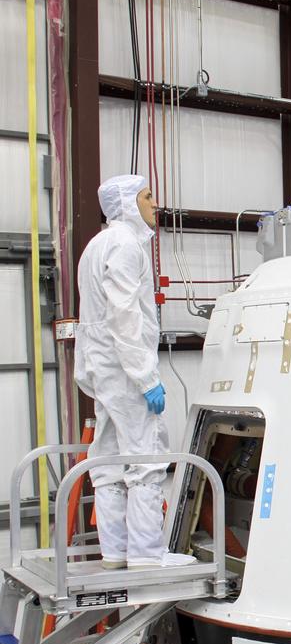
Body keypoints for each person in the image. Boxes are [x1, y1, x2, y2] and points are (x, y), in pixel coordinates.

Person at [74, 174, 194, 569]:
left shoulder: (96, 245)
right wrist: (146, 377)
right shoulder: (126, 245)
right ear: (127, 203)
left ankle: (115, 550)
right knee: (147, 457)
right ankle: (146, 553)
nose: (154, 203)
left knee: (107, 457)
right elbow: (124, 316)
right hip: (125, 368)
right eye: (146, 196)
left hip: (100, 366)